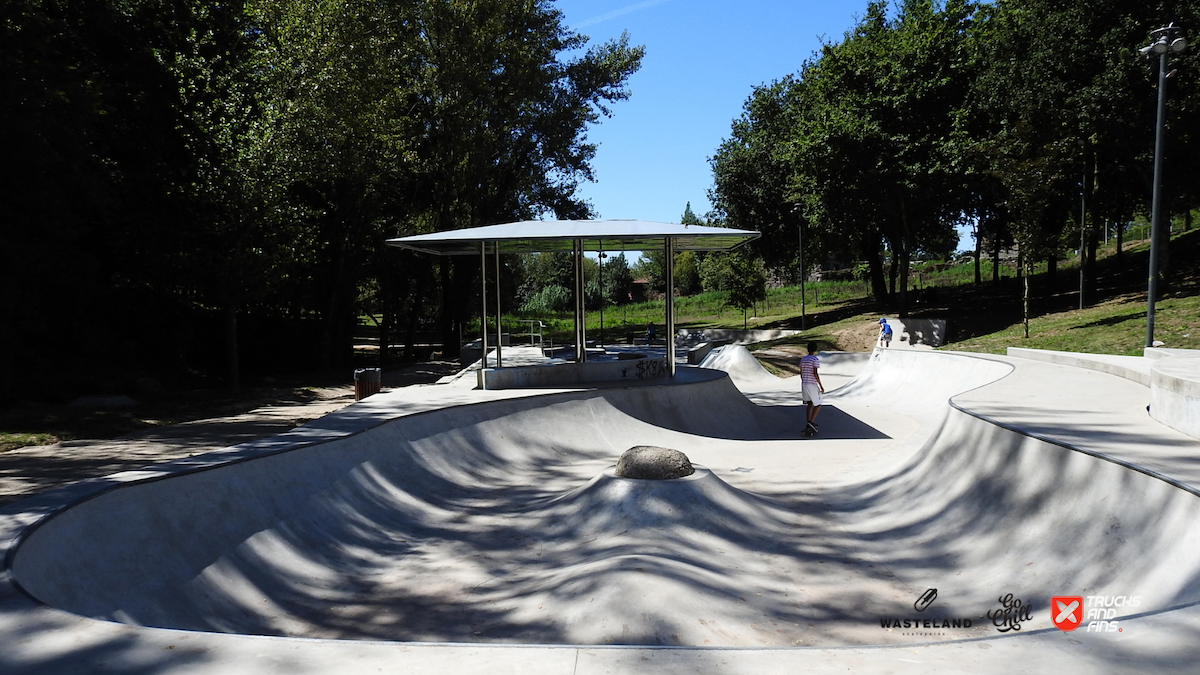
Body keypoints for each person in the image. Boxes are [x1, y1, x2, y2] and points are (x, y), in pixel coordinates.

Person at [799, 341, 824, 434]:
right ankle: (811, 422)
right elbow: (815, 373)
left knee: (810, 403)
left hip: (804, 383)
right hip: (812, 384)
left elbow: (801, 373)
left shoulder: (803, 359)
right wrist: (821, 386)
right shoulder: (814, 359)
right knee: (818, 403)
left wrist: (803, 380)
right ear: (815, 349)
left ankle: (809, 423)